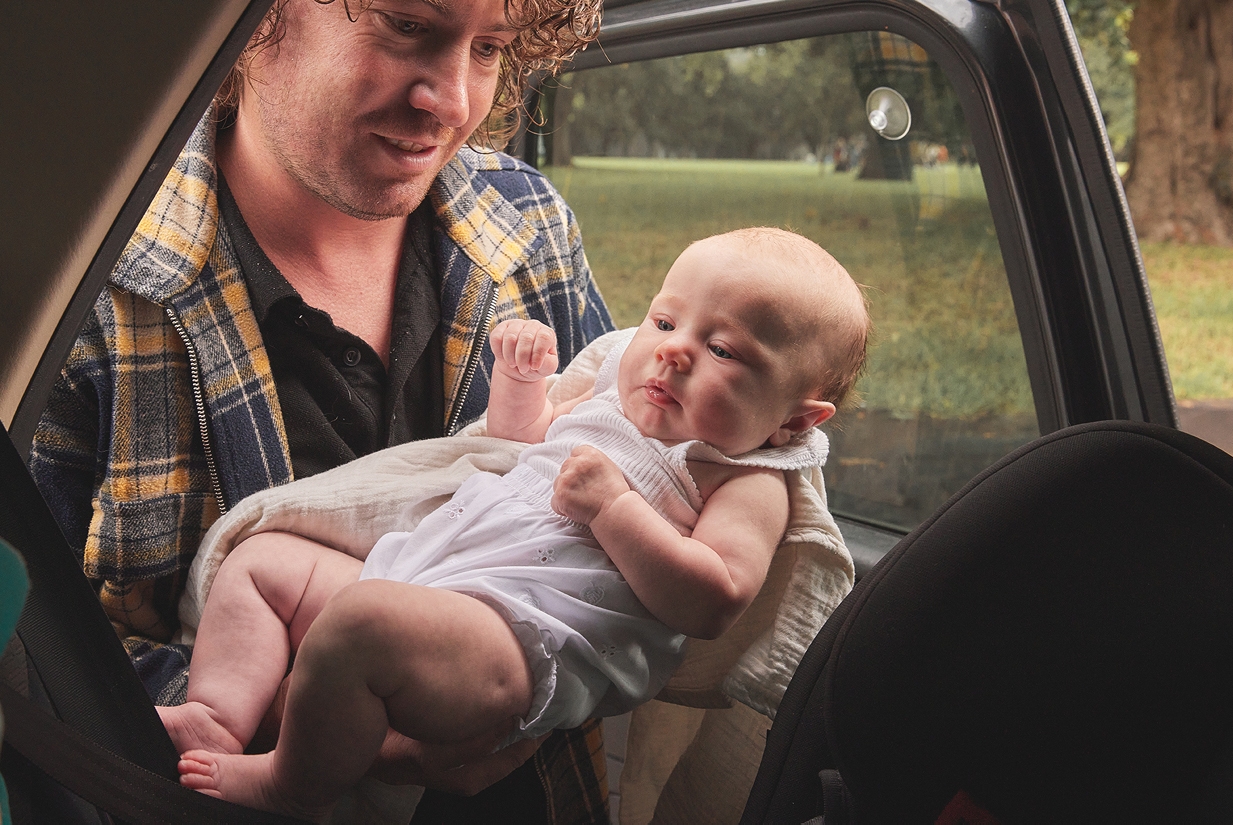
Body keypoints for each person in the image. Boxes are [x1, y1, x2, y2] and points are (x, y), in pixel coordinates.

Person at [28, 0, 616, 819]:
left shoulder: (533, 223)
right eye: (407, 26)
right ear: (252, 25)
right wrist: (314, 712)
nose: (450, 101)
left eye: (489, 49)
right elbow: (29, 656)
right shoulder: (84, 281)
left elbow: (626, 469)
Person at [156, 227, 871, 820]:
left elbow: (713, 598)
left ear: (794, 420)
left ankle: (293, 783)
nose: (672, 349)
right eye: (664, 320)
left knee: (360, 623)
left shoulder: (745, 478)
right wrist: (522, 384)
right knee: (266, 558)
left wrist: (614, 508)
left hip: (519, 640)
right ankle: (218, 712)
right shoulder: (612, 401)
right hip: (425, 574)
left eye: (722, 350)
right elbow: (514, 442)